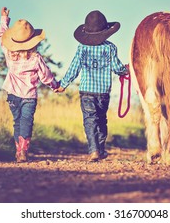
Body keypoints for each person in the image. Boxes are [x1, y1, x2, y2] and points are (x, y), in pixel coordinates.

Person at [55, 10, 129, 162]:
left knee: (90, 120)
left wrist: (63, 85)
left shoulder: (82, 48)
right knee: (101, 120)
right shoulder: (110, 48)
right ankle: (100, 150)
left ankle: (94, 150)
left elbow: (74, 68)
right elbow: (117, 68)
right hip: (103, 92)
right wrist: (126, 70)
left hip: (86, 92)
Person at [0, 7, 59, 162]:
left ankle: (18, 151)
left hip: (12, 95)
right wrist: (55, 85)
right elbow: (45, 76)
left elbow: (1, 36)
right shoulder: (35, 58)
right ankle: (23, 151)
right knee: (26, 122)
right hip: (29, 97)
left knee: (17, 122)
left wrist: (4, 19)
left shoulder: (8, 52)